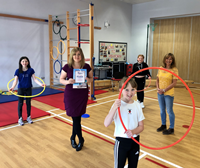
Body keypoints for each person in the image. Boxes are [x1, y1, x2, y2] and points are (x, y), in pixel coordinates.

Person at [104, 77, 145, 168]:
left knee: (133, 166)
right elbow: (106, 123)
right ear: (120, 90)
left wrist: (133, 131)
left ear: (136, 90)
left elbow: (141, 126)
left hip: (135, 141)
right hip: (121, 142)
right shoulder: (117, 105)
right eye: (126, 90)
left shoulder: (137, 105)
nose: (130, 93)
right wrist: (114, 108)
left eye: (132, 90)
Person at [60, 47, 93, 151]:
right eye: (75, 55)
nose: (77, 56)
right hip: (71, 95)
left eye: (78, 54)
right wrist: (68, 81)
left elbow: (91, 79)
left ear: (81, 55)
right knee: (75, 119)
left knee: (77, 119)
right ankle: (80, 139)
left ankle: (73, 138)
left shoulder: (87, 66)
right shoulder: (67, 66)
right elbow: (61, 79)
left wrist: (88, 79)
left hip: (81, 95)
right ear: (72, 56)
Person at [9, 56, 45, 126]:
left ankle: (29, 117)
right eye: (23, 61)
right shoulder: (18, 70)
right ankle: (20, 118)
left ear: (28, 62)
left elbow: (35, 79)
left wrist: (41, 84)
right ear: (20, 62)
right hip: (21, 89)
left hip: (28, 88)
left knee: (28, 103)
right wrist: (12, 87)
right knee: (20, 103)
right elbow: (15, 81)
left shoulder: (31, 70)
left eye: (26, 61)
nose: (24, 63)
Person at [156, 53, 178, 135]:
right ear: (164, 59)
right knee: (162, 110)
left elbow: (174, 83)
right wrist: (158, 88)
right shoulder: (160, 68)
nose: (168, 60)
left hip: (168, 93)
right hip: (160, 92)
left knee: (169, 111)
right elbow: (157, 79)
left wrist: (164, 90)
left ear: (172, 61)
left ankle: (171, 128)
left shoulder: (174, 69)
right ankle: (163, 125)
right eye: (167, 59)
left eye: (170, 59)